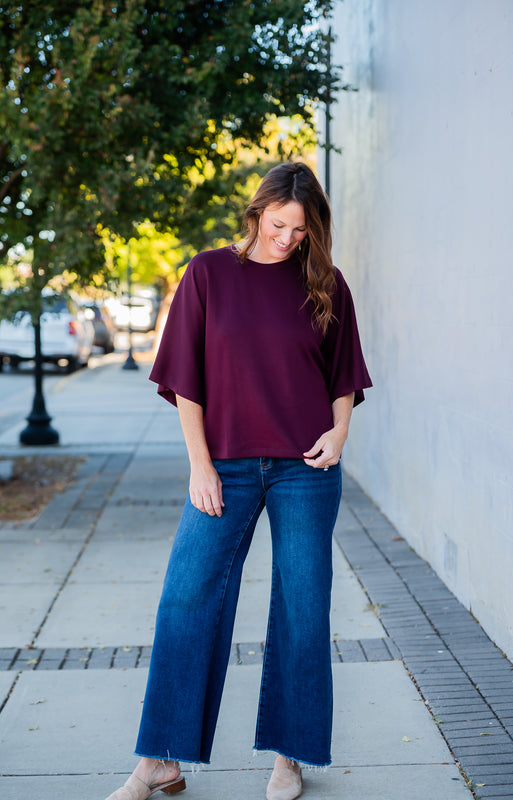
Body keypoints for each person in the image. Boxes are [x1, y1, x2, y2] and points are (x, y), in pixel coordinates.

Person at [106, 162, 372, 800]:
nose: (288, 239)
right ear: (256, 214)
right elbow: (185, 379)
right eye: (280, 225)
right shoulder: (208, 273)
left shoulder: (325, 283)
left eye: (300, 231)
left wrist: (339, 435)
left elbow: (344, 376)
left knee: (303, 608)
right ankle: (160, 759)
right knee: (187, 597)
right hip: (223, 464)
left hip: (306, 470)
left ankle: (290, 758)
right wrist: (200, 463)